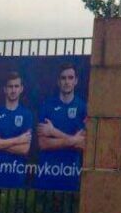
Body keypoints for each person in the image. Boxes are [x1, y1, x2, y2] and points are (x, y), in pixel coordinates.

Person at [34, 63, 87, 191]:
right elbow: (43, 143)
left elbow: (84, 144)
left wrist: (54, 132)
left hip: (71, 175)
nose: (67, 82)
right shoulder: (47, 106)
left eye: (70, 78)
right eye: (63, 78)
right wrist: (74, 140)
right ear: (58, 81)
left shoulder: (83, 107)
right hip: (48, 174)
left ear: (76, 81)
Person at [0, 71, 34, 188]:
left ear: (21, 89)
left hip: (16, 177)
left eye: (16, 86)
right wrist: (19, 140)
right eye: (10, 86)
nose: (13, 90)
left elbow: (24, 149)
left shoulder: (27, 115)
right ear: (5, 89)